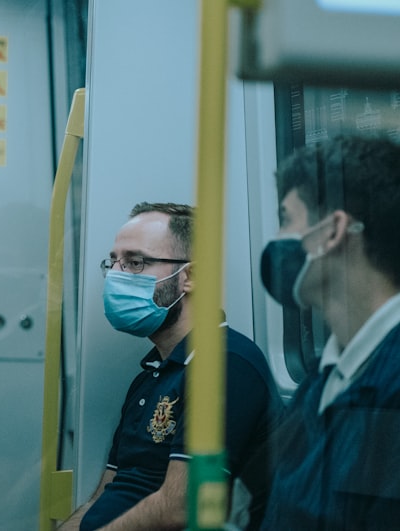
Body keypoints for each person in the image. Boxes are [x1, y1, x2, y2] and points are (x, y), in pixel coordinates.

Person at [61, 202, 282, 531]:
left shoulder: (225, 364)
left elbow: (179, 507)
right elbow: (106, 492)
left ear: (189, 277)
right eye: (113, 262)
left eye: (135, 262)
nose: (116, 275)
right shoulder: (148, 377)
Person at [258, 135, 400, 529]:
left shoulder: (392, 384)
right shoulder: (321, 382)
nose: (276, 240)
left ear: (333, 231)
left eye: (286, 219)